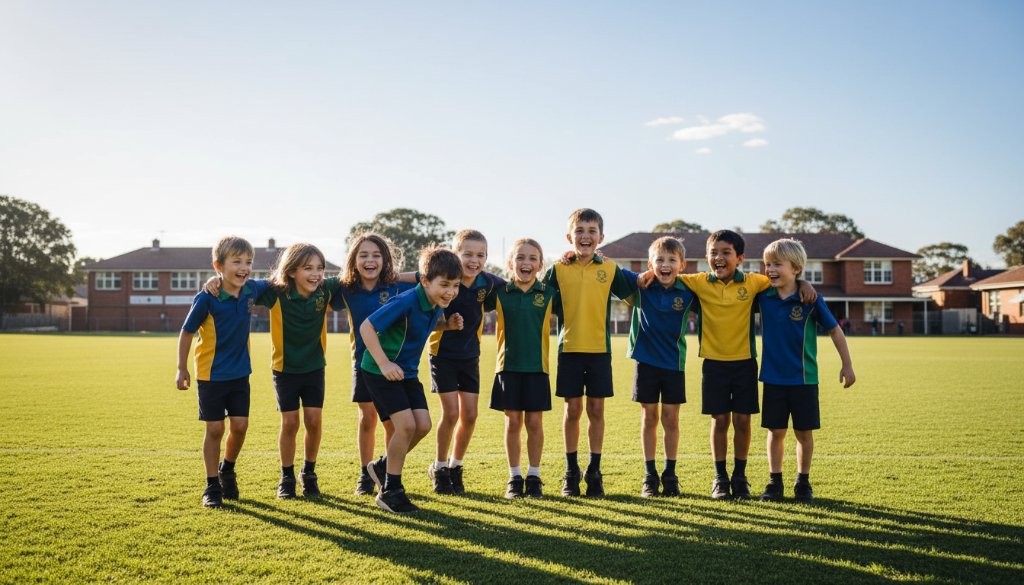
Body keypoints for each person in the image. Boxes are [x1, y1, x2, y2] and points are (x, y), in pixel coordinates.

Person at [641, 230, 816, 500]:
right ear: (706, 258)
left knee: (743, 422)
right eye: (713, 253)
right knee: (720, 421)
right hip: (713, 365)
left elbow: (784, 280)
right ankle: (720, 479)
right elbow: (666, 273)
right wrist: (648, 273)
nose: (719, 258)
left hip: (745, 364)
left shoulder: (755, 282)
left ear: (740, 258)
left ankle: (740, 477)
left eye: (726, 253)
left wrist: (804, 282)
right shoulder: (696, 282)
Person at [206, 243, 344, 498]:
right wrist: (216, 280)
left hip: (315, 368)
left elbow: (358, 278)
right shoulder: (276, 292)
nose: (316, 274)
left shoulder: (326, 288)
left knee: (314, 421)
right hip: (284, 369)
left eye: (320, 268)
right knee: (290, 423)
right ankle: (287, 477)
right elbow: (241, 284)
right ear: (291, 271)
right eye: (308, 268)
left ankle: (309, 473)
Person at [360, 247, 463, 513]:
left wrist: (446, 325)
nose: (450, 292)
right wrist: (384, 363)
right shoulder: (406, 301)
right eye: (444, 285)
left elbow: (423, 326)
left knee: (423, 425)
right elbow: (367, 327)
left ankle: (383, 466)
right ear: (425, 281)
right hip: (379, 371)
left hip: (407, 372)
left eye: (455, 285)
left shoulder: (435, 303)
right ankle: (390, 490)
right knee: (404, 426)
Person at [756, 238, 855, 502]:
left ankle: (803, 482)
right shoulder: (762, 297)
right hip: (773, 379)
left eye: (777, 264)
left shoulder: (810, 298)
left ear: (796, 268)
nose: (770, 269)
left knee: (803, 433)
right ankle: (774, 482)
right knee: (775, 432)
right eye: (767, 264)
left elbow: (835, 329)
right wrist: (800, 281)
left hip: (804, 379)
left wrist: (847, 364)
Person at [544, 208, 633, 497]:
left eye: (591, 231)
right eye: (579, 231)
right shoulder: (557, 269)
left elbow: (636, 290)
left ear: (601, 237)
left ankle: (594, 471)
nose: (585, 236)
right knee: (572, 411)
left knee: (596, 410)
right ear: (569, 237)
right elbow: (538, 299)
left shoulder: (609, 269)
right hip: (568, 350)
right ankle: (571, 472)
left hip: (599, 351)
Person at [176, 236, 270, 508]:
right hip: (211, 375)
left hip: (241, 374)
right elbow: (186, 332)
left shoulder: (251, 290)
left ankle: (227, 469)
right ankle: (211, 485)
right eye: (237, 261)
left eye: (248, 262)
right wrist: (181, 368)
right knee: (215, 428)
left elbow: (279, 280)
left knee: (240, 426)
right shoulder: (208, 297)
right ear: (219, 265)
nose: (244, 267)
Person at [331, 232, 413, 496]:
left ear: (385, 260)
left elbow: (427, 277)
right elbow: (304, 280)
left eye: (377, 255)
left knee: (391, 422)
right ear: (353, 260)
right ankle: (365, 474)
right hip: (362, 364)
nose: (370, 260)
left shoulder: (395, 287)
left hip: (390, 363)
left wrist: (396, 275)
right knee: (367, 418)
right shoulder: (344, 287)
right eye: (363, 255)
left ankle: (389, 473)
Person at [425, 229, 504, 495]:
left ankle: (456, 466)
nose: (474, 260)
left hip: (471, 356)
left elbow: (516, 285)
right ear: (455, 254)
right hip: (442, 355)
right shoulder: (445, 280)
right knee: (451, 414)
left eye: (480, 255)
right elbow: (424, 320)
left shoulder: (488, 283)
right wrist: (446, 325)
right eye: (467, 253)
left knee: (470, 415)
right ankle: (439, 467)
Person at [620, 237, 698, 498]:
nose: (665, 265)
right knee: (649, 418)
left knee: (671, 420)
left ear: (682, 265)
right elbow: (612, 273)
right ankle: (650, 476)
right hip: (646, 363)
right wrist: (638, 275)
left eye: (672, 260)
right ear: (650, 264)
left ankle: (670, 475)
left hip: (674, 364)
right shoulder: (642, 286)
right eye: (660, 260)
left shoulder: (688, 291)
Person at [485, 238, 558, 498]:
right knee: (513, 422)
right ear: (510, 263)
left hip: (538, 368)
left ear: (540, 265)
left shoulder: (549, 294)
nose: (525, 263)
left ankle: (534, 476)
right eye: (520, 258)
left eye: (531, 258)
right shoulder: (500, 293)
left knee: (535, 422)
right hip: (508, 368)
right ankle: (515, 477)